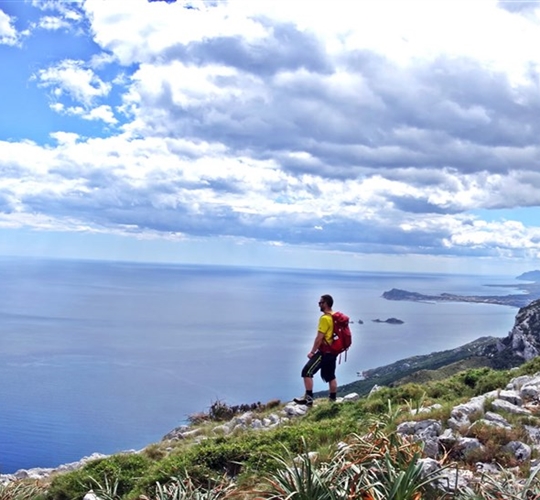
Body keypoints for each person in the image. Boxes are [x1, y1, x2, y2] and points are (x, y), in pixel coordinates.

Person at [293, 294, 338, 407]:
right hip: (333, 351)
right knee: (331, 376)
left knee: (306, 372)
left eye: (320, 303)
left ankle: (308, 399)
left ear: (326, 303)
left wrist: (312, 352)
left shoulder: (325, 318)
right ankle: (332, 400)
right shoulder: (335, 316)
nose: (319, 305)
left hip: (324, 352)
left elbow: (319, 337)